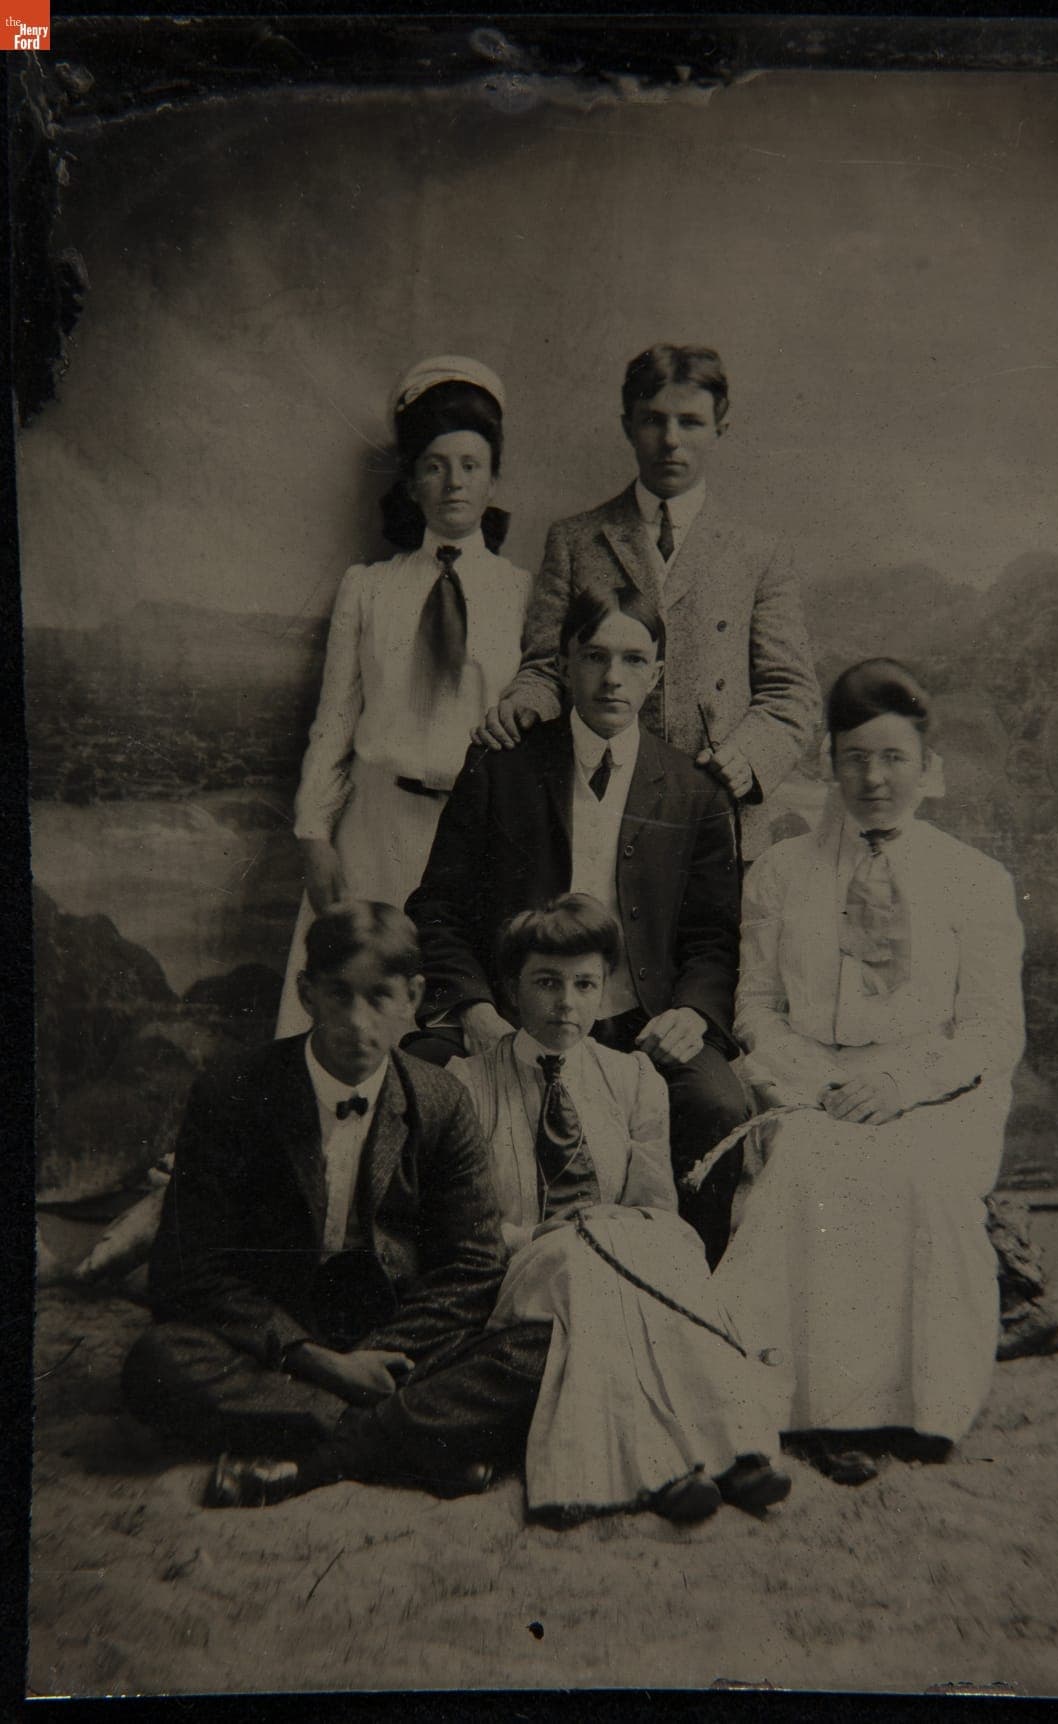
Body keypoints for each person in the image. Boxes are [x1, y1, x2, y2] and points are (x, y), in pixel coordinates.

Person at [122, 901, 551, 1508]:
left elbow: (474, 1264)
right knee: (157, 1362)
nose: (356, 1022)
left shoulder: (441, 1100)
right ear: (307, 994)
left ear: (413, 996)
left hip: (398, 1332)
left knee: (541, 1353)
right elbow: (187, 1267)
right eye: (338, 995)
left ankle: (315, 1457)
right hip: (279, 1330)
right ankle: (409, 1441)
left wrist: (380, 1356)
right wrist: (317, 1361)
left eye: (379, 997)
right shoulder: (233, 1090)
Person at [713, 659, 1026, 1484]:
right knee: (810, 1170)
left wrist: (900, 1086)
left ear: (928, 766)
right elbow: (756, 1008)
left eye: (893, 758)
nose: (875, 778)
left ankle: (923, 1403)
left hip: (931, 1086)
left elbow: (992, 1029)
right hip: (810, 1079)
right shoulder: (781, 873)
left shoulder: (975, 881)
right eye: (855, 758)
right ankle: (824, 1409)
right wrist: (816, 1085)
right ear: (828, 763)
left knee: (920, 1175)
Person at [406, 581, 749, 1264]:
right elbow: (437, 908)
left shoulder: (695, 791)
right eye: (594, 656)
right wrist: (474, 1008)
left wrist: (691, 1013)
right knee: (418, 1083)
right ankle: (446, 1281)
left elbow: (715, 936)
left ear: (656, 675)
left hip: (640, 1021)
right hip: (514, 1012)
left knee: (718, 1104)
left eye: (633, 660)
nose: (612, 677)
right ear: (563, 663)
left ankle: (687, 1286)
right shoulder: (503, 768)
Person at [449, 893, 790, 1524]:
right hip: (524, 1268)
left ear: (604, 989)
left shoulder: (633, 1077)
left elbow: (657, 1210)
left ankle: (734, 1451)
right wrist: (538, 1235)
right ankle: (648, 1470)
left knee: (651, 1252)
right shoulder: (467, 1084)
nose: (567, 1003)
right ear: (511, 991)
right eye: (546, 983)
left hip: (614, 1260)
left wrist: (610, 1228)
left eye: (584, 984)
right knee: (584, 1262)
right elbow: (465, 1230)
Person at [473, 343, 821, 842]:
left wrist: (746, 759)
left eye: (691, 422)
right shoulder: (575, 540)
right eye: (653, 420)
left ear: (720, 429)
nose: (671, 440)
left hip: (714, 812)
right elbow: (546, 667)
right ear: (628, 426)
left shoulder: (757, 553)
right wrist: (524, 707)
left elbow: (791, 691)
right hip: (596, 806)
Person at [275, 355, 530, 1035]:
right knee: (361, 1017)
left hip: (473, 837)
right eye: (435, 466)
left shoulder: (521, 594)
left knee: (455, 1027)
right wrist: (314, 835)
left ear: (494, 478)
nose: (454, 483)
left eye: (471, 465)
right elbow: (335, 721)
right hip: (374, 831)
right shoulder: (370, 588)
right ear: (412, 481)